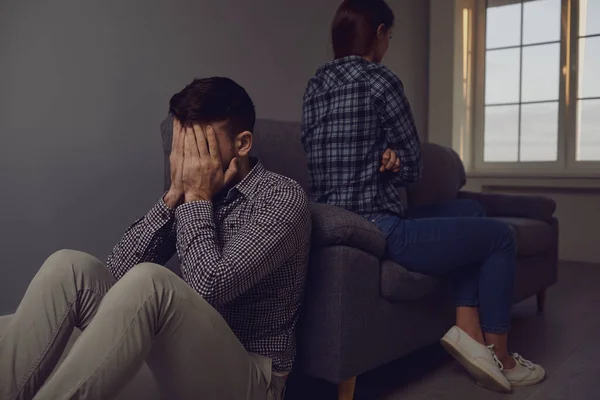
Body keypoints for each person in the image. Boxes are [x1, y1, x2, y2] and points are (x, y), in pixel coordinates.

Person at [0, 77, 311, 400]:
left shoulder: (281, 199)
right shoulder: (191, 192)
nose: (188, 162)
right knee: (68, 266)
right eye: (182, 149)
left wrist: (195, 197)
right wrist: (174, 195)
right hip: (176, 362)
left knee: (151, 283)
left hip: (251, 378)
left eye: (200, 148)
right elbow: (115, 272)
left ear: (242, 144)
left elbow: (209, 287)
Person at [301, 0, 545, 393]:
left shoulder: (315, 86)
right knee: (501, 237)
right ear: (379, 33)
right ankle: (501, 355)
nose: (389, 44)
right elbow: (415, 165)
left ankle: (467, 330)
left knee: (469, 210)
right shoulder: (380, 80)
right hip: (381, 225)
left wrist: (388, 158)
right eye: (390, 36)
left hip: (342, 223)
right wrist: (397, 160)